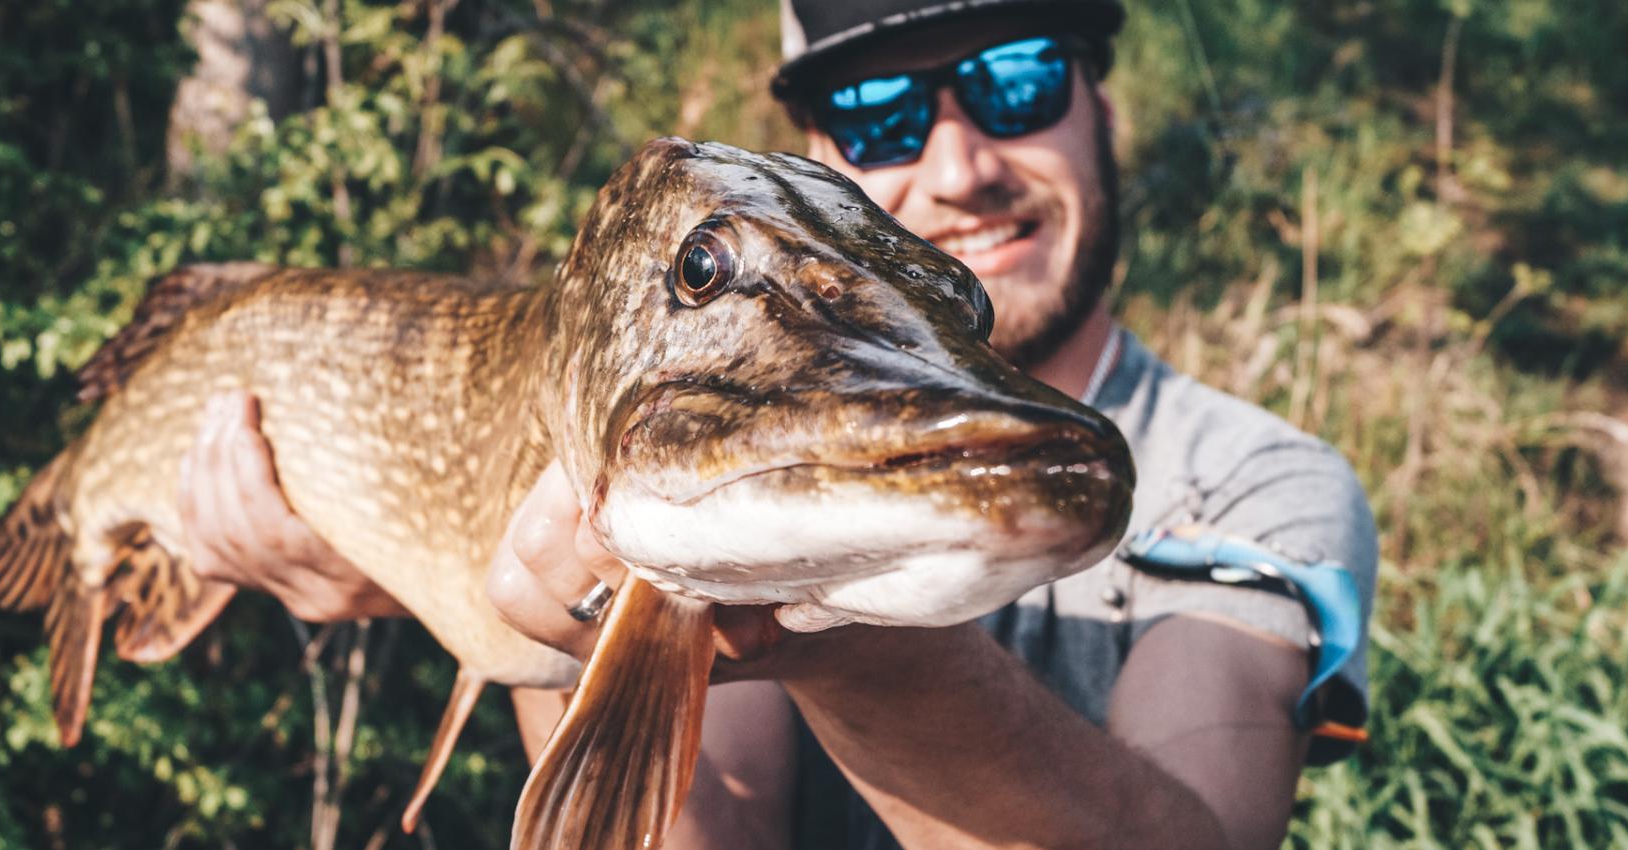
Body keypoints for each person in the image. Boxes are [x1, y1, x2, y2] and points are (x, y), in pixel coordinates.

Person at [177, 1, 1379, 846]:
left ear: (1098, 105)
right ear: (815, 161)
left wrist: (830, 632)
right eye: (879, 112)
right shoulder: (688, 433)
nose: (959, 166)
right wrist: (528, 617)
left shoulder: (1255, 479)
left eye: (1020, 78)